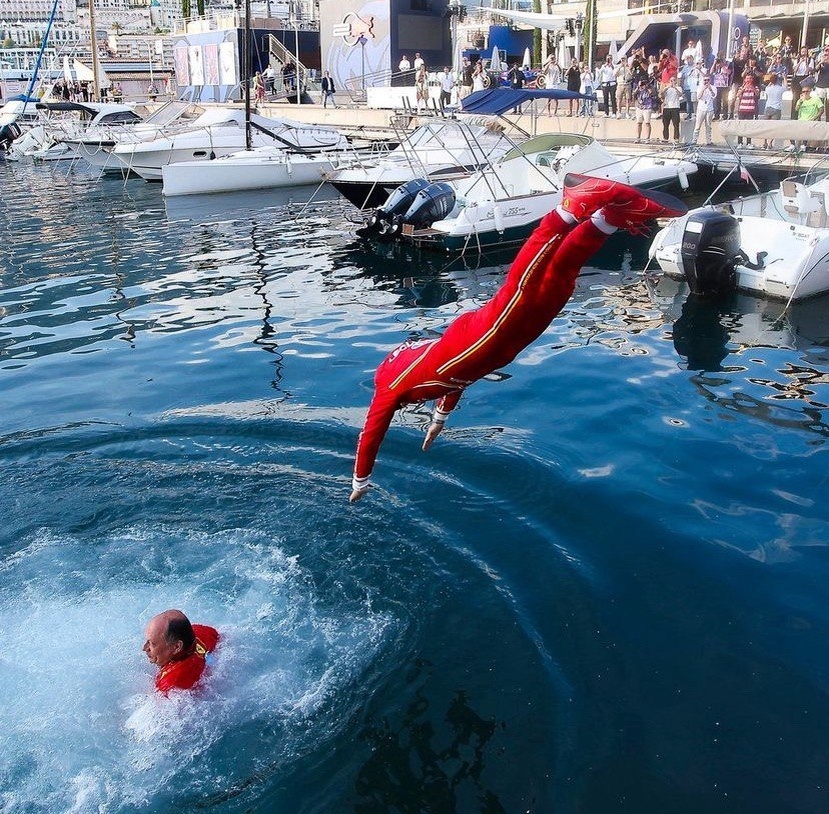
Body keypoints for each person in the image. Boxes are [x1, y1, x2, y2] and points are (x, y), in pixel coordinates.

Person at [348, 174, 688, 502]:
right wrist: (438, 421)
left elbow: (371, 436)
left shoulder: (389, 388)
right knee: (561, 278)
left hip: (483, 338)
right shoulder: (416, 367)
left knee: (522, 283)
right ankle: (610, 216)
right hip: (492, 344)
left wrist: (360, 482)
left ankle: (569, 208)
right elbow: (454, 381)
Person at [143, 609, 220, 694]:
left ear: (177, 647)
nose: (145, 648)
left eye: (152, 644)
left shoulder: (171, 686)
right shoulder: (202, 632)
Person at [735, 74, 759, 146]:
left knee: (749, 127)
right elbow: (737, 95)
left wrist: (752, 88)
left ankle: (749, 143)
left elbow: (757, 94)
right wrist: (743, 88)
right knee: (741, 127)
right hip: (742, 109)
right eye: (747, 78)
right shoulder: (741, 87)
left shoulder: (755, 87)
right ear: (745, 80)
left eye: (750, 78)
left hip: (750, 110)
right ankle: (740, 143)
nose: (748, 80)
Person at [692, 74, 716, 146]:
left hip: (709, 109)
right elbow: (698, 97)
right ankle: (694, 141)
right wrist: (703, 89)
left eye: (708, 80)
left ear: (710, 80)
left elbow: (714, 96)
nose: (706, 81)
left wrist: (710, 89)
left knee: (708, 126)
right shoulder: (700, 87)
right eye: (705, 80)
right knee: (697, 126)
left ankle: (709, 141)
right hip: (701, 109)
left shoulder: (713, 87)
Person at [660, 76, 682, 143]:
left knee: (676, 124)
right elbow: (662, 96)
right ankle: (665, 138)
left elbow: (680, 95)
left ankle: (676, 138)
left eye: (674, 80)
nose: (672, 82)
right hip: (667, 108)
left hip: (675, 107)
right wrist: (666, 88)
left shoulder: (678, 88)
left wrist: (675, 87)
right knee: (665, 124)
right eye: (671, 80)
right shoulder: (667, 88)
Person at [634, 78, 656, 143]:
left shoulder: (650, 86)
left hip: (647, 107)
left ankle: (647, 138)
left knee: (647, 123)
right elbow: (633, 94)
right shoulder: (638, 87)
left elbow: (652, 93)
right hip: (639, 107)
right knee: (638, 123)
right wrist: (638, 87)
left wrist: (646, 87)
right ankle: (638, 137)